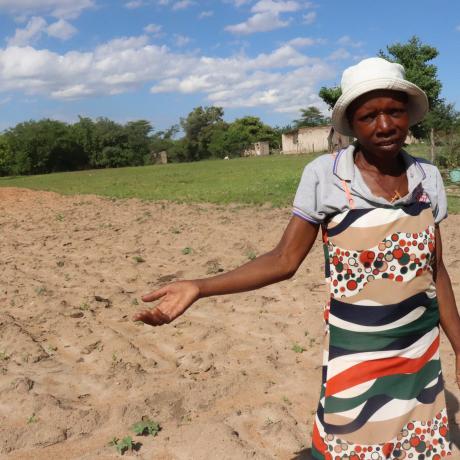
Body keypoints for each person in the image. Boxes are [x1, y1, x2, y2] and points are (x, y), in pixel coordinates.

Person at [133, 57, 459, 459]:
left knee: (416, 445)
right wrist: (200, 287)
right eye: (369, 116)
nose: (385, 125)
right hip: (357, 350)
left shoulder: (427, 178)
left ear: (408, 115)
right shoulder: (326, 176)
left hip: (418, 350)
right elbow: (283, 260)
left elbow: (436, 270)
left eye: (394, 112)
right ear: (351, 125)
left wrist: (459, 346)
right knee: (351, 439)